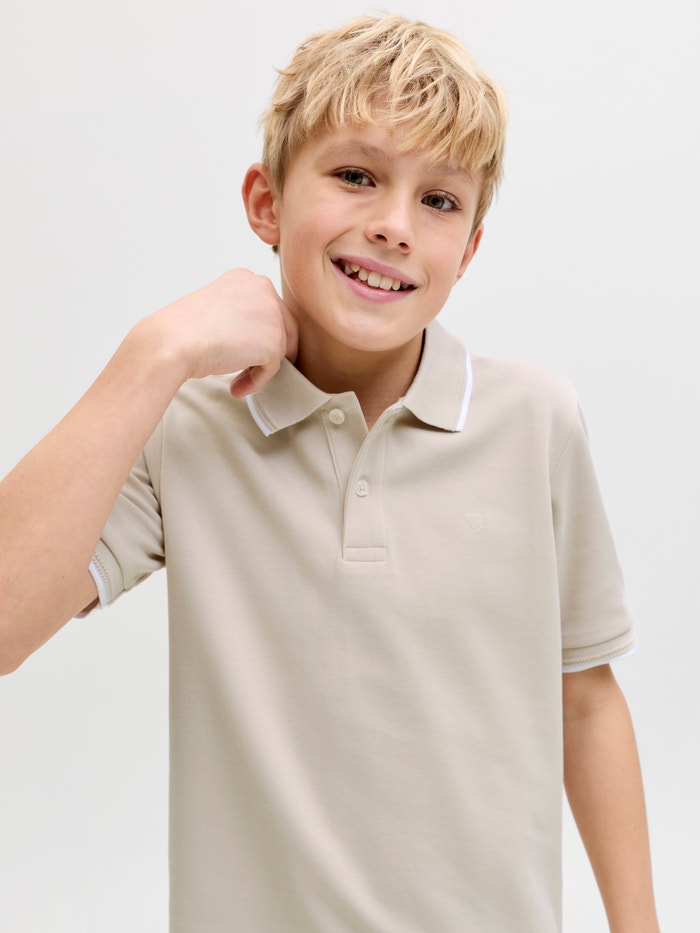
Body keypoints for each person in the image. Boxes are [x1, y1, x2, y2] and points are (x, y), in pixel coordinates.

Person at [0, 13, 659, 933]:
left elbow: (585, 701)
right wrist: (156, 353)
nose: (394, 225)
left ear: (469, 249)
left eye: (440, 200)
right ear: (266, 204)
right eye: (356, 176)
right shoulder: (185, 428)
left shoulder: (537, 422)